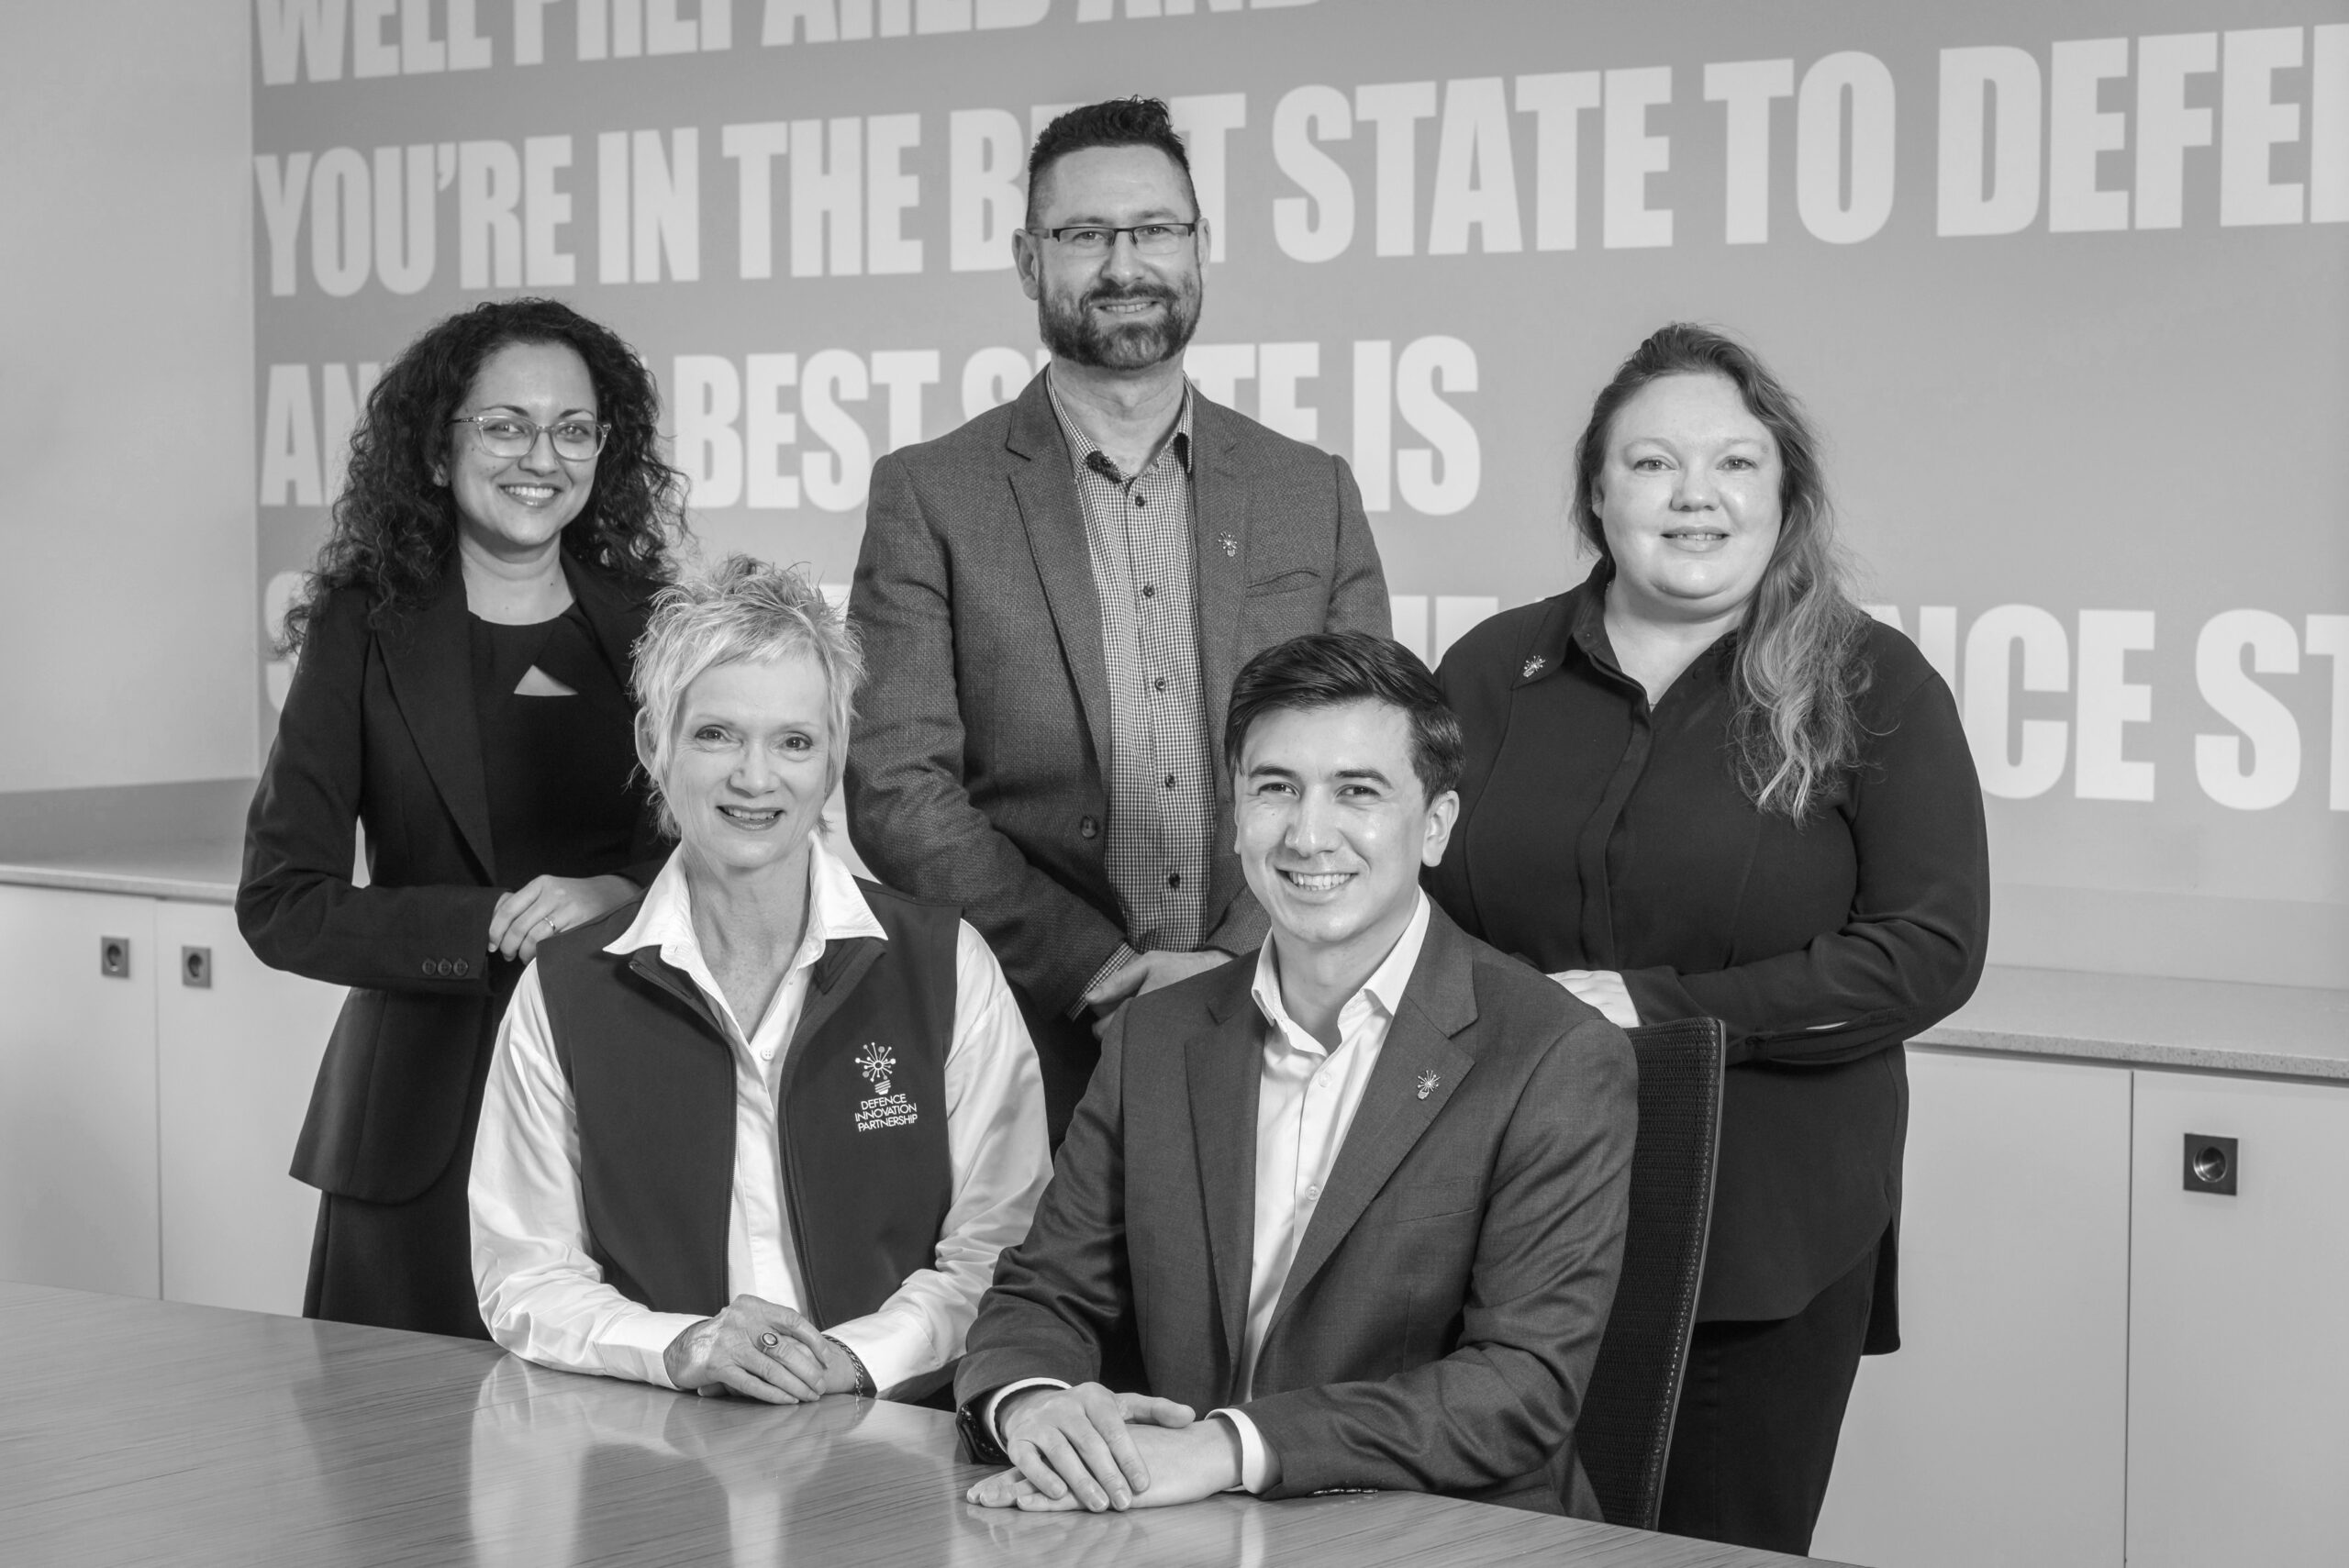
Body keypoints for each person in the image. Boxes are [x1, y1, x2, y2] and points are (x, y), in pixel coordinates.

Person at [1427, 324, 1990, 1554]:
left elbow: (1928, 949)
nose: (1694, 497)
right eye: (1651, 464)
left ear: (1785, 495)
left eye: (1735, 463)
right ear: (1594, 490)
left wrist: (1655, 1010)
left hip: (1758, 1244)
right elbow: (1411, 914)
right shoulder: (1487, 670)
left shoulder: (1870, 684)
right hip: (1498, 1220)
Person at [955, 631, 1637, 1517]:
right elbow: (1043, 1291)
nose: (1309, 834)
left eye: (1358, 791)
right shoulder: (1156, 1036)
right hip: (1186, 1525)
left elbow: (1521, 1388)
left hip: (1441, 1534)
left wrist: (1230, 1445)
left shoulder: (1555, 1054)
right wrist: (1036, 1404)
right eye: (1276, 788)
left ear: (1435, 826)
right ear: (1234, 815)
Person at [847, 96, 1391, 1142]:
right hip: (1030, 1033)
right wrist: (1095, 971)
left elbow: (1372, 758)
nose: (1123, 263)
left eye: (1153, 229)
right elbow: (895, 783)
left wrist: (1238, 960)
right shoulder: (931, 492)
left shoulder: (1306, 490)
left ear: (1199, 248)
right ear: (1028, 261)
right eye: (1085, 235)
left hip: (1283, 1021)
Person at [470, 559, 1050, 1404]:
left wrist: (855, 1360)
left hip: (893, 1450)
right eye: (715, 734)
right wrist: (684, 1346)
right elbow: (525, 1275)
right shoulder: (562, 993)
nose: (755, 776)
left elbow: (1004, 1247)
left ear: (834, 758)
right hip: (659, 1457)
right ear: (652, 745)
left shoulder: (946, 965)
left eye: (794, 741)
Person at [239, 297, 686, 1338]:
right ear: (439, 451)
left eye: (574, 428)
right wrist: (484, 922)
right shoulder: (363, 627)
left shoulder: (661, 626)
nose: (543, 455)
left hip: (623, 1099)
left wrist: (619, 895)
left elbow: (722, 853)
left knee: (616, 1480)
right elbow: (282, 903)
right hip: (417, 1124)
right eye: (505, 424)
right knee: (393, 1472)